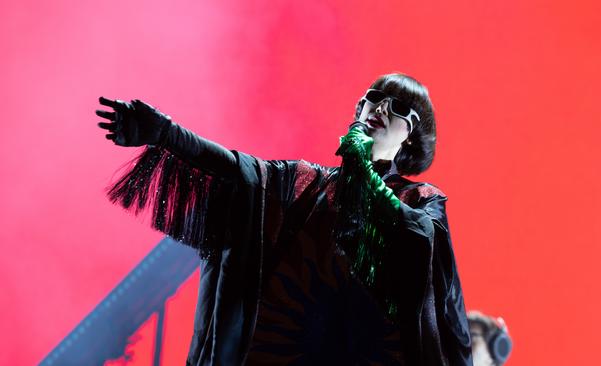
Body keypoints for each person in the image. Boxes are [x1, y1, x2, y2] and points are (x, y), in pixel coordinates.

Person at [96, 73, 472, 366]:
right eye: (375, 98)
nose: (383, 108)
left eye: (400, 107)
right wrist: (166, 133)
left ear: (411, 138)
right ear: (359, 109)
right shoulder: (305, 184)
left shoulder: (422, 202)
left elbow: (417, 253)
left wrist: (359, 160)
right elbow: (235, 169)